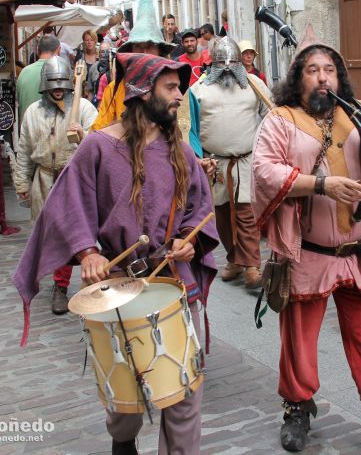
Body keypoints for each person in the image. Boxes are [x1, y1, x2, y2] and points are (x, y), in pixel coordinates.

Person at [13, 52, 218, 455]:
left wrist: (189, 242)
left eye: (180, 87)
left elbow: (200, 209)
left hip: (174, 283)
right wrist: (87, 251)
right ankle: (122, 443)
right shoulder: (99, 146)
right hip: (117, 289)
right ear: (143, 92)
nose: (180, 96)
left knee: (183, 392)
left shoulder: (180, 151)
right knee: (125, 394)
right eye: (171, 88)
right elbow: (68, 204)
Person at [251, 25, 361, 454]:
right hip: (306, 253)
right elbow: (264, 171)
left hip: (358, 251)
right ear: (298, 78)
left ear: (340, 76)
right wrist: (320, 186)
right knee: (298, 338)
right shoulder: (280, 120)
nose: (322, 77)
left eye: (329, 69)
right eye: (312, 70)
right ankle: (297, 407)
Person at [13, 56, 98, 314]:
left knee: (81, 235)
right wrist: (21, 182)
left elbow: (100, 143)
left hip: (75, 179)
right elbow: (25, 149)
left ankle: (84, 284)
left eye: (62, 83)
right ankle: (58, 285)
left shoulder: (84, 108)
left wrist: (83, 135)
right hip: (45, 179)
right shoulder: (33, 112)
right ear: (45, 85)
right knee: (52, 236)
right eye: (53, 84)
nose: (58, 89)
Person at [192, 37, 271, 289]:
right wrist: (197, 158)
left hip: (246, 160)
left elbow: (270, 115)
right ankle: (234, 260)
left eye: (232, 62)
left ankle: (252, 266)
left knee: (247, 215)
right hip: (215, 164)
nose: (227, 67)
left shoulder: (254, 84)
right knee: (223, 217)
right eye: (221, 63)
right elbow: (189, 127)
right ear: (213, 64)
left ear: (239, 63)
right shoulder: (199, 89)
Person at [92, 0, 178, 131]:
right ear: (130, 51)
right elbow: (99, 132)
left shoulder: (174, 89)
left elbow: (183, 134)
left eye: (149, 46)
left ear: (160, 51)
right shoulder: (114, 90)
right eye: (138, 46)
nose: (143, 52)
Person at [16, 34, 61, 126]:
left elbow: (18, 102)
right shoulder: (59, 71)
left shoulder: (24, 72)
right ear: (58, 50)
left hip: (27, 131)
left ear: (38, 50)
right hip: (51, 133)